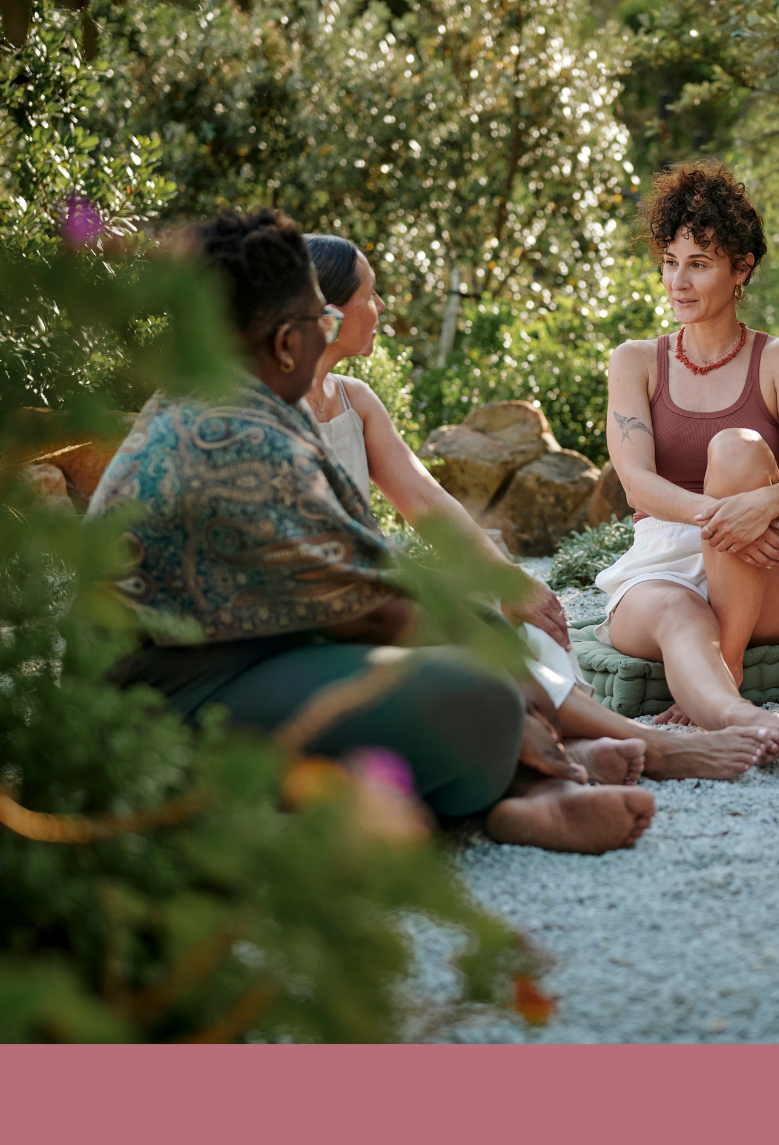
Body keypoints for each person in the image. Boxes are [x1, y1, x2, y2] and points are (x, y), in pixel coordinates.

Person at [89, 208, 653, 854]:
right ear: (285, 339)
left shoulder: (244, 401)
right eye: (319, 320)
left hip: (254, 653)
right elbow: (373, 610)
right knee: (481, 694)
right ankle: (530, 784)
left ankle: (531, 785)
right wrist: (516, 688)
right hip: (165, 705)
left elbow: (367, 565)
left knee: (476, 630)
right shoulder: (233, 432)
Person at [298, 229, 778, 780]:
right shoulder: (264, 413)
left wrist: (512, 580)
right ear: (328, 314)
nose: (382, 306)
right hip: (335, 598)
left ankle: (572, 750)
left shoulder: (356, 400)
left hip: (371, 587)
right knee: (478, 629)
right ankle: (650, 746)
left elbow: (429, 503)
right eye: (370, 295)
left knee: (530, 625)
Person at [594, 163, 779, 752]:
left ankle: (728, 659)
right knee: (679, 616)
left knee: (735, 448)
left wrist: (760, 507)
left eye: (699, 264)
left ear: (741, 268)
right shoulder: (634, 361)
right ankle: (739, 718)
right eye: (670, 262)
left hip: (769, 572)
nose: (679, 282)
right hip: (664, 562)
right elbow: (637, 484)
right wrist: (727, 517)